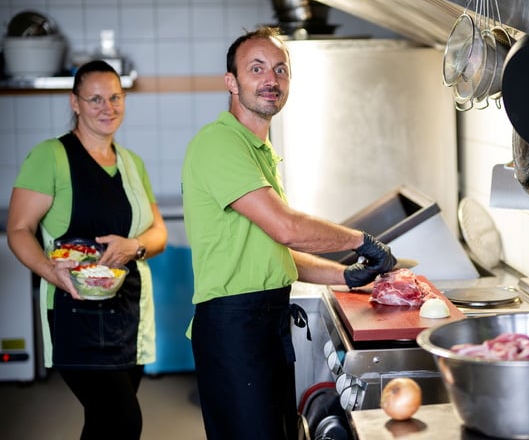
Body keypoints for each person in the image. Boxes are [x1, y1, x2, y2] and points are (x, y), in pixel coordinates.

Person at [181, 26, 398, 439]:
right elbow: (286, 228)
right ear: (232, 81)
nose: (271, 80)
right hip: (234, 329)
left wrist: (345, 275)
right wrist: (362, 241)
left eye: (280, 70)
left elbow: (270, 251)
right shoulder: (219, 143)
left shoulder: (258, 151)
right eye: (257, 68)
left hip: (265, 323)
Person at [6, 60, 168, 440]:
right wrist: (51, 271)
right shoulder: (51, 156)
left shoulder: (132, 164)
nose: (106, 107)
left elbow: (158, 233)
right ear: (75, 103)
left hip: (128, 311)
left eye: (114, 97)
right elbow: (18, 229)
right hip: (75, 310)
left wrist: (136, 245)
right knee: (124, 421)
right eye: (94, 99)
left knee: (103, 425)